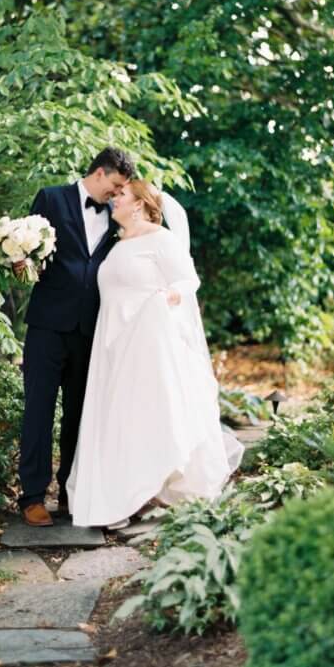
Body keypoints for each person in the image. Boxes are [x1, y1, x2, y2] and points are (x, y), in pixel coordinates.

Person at [66, 179, 242, 528]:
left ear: (139, 204)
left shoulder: (161, 240)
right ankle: (123, 493)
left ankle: (147, 490)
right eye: (113, 195)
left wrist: (169, 298)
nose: (114, 200)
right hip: (113, 342)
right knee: (120, 417)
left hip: (148, 339)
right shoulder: (116, 245)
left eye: (121, 196)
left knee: (147, 415)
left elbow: (188, 280)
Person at [17, 147, 136, 526]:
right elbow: (27, 248)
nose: (116, 195)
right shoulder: (51, 197)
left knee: (79, 416)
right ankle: (32, 496)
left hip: (92, 329)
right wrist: (19, 262)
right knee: (38, 411)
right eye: (115, 186)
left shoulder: (117, 216)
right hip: (48, 325)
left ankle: (73, 492)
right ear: (99, 173)